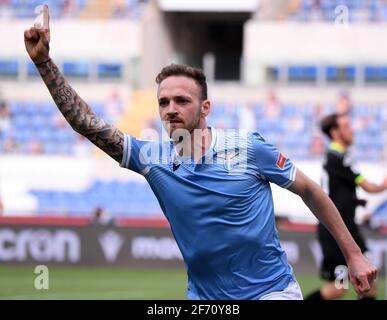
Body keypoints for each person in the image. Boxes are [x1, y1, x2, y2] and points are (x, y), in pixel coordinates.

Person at [24, 5, 377, 300]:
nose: (171, 108)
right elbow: (87, 123)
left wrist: (354, 255)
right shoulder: (153, 159)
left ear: (205, 107)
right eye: (163, 102)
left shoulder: (246, 148)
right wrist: (44, 63)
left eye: (182, 100)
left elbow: (311, 191)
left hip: (271, 292)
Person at [306, 113, 387, 300]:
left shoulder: (335, 158)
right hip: (335, 233)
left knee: (369, 281)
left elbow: (335, 193)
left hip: (348, 230)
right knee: (338, 288)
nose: (352, 130)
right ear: (335, 132)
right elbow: (369, 187)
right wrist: (384, 184)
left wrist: (355, 202)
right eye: (346, 126)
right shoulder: (340, 158)